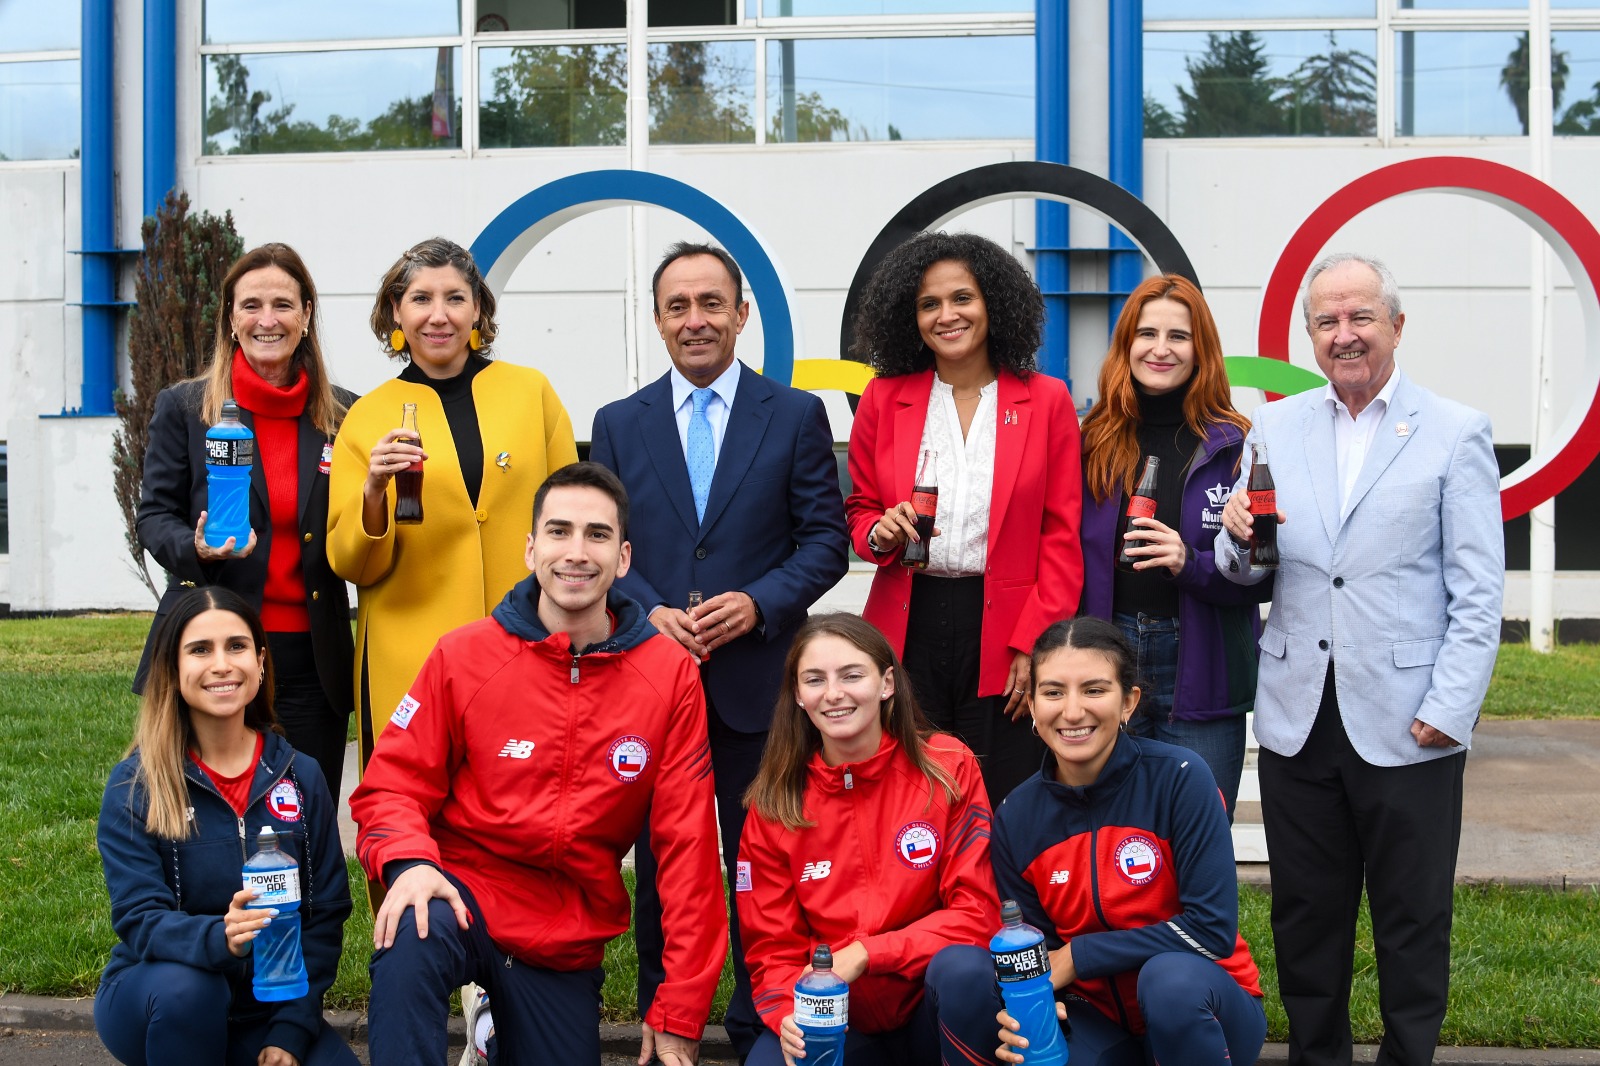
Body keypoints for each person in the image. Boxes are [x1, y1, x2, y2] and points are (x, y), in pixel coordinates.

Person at [1215, 253, 1504, 1066]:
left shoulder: (1456, 431)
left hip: (1411, 722)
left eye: (1360, 317)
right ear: (1310, 335)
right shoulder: (1275, 428)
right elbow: (1247, 570)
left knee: (1412, 915)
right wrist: (1234, 537)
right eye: (1327, 321)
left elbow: (1479, 592)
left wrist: (1449, 709)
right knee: (1307, 914)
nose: (1344, 334)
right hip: (1298, 716)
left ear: (1396, 326)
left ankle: (1409, 1055)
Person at [350, 462, 727, 1066]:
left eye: (597, 535)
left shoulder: (669, 674)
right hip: (463, 895)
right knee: (411, 932)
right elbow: (391, 787)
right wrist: (411, 864)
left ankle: (492, 1030)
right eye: (558, 531)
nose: (576, 552)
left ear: (623, 558)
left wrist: (680, 1006)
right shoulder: (463, 654)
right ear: (530, 549)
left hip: (563, 930)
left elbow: (689, 851)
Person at [590, 241, 849, 1058]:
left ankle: (757, 1018)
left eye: (711, 304)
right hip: (652, 680)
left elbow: (826, 541)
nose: (695, 320)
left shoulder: (795, 415)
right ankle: (664, 1016)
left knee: (759, 859)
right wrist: (647, 610)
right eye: (678, 306)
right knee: (662, 861)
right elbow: (605, 544)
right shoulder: (618, 423)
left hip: (757, 682)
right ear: (658, 320)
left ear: (741, 314)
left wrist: (760, 602)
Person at [847, 230, 1083, 804]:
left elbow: (1061, 535)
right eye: (929, 304)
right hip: (908, 622)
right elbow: (859, 510)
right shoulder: (883, 398)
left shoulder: (1047, 399)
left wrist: (1035, 642)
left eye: (962, 298)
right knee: (911, 794)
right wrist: (878, 531)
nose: (946, 316)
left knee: (1003, 793)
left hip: (1007, 628)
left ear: (992, 304)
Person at [328, 236, 578, 766]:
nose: (438, 315)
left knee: (525, 791)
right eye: (420, 298)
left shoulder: (531, 393)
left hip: (526, 641)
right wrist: (373, 492)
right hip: (410, 655)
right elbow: (352, 565)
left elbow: (573, 517)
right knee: (413, 797)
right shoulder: (366, 417)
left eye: (455, 298)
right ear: (396, 311)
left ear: (479, 309)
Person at [96, 586, 355, 1066]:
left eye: (236, 646)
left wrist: (290, 1031)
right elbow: (139, 919)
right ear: (172, 669)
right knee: (190, 989)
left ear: (260, 662)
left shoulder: (302, 776)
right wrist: (222, 938)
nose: (221, 664)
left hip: (267, 1010)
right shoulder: (136, 785)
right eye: (200, 650)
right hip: (160, 997)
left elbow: (324, 917)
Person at [992, 616, 1265, 1066]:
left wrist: (1079, 955)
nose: (1072, 711)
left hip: (1204, 1003)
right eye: (1054, 692)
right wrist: (1026, 1013)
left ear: (1128, 702)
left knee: (1169, 981)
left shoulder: (1181, 778)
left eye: (1094, 690)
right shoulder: (1015, 816)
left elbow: (1211, 930)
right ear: (1033, 705)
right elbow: (1035, 952)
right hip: (1097, 1017)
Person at [134, 243, 355, 791]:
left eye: (283, 305)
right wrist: (195, 547)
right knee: (207, 812)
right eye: (251, 305)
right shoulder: (186, 409)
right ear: (231, 319)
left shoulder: (345, 415)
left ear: (306, 315)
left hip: (314, 659)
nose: (267, 320)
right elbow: (154, 516)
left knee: (306, 812)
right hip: (216, 648)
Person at [739, 613, 1003, 1066]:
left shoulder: (947, 767)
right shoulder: (774, 803)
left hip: (930, 1007)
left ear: (886, 684)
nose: (833, 693)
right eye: (815, 680)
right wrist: (787, 1014)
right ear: (798, 696)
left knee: (966, 971)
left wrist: (868, 953)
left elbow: (978, 914)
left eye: (851, 675)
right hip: (839, 1019)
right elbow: (772, 950)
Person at [1077, 274, 1269, 820]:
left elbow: (1267, 572)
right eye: (1147, 334)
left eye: (1178, 336)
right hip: (1106, 656)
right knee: (1109, 831)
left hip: (1202, 661)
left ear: (1200, 349)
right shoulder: (1091, 442)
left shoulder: (1238, 444)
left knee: (1196, 832)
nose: (1160, 349)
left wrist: (1190, 563)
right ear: (1126, 344)